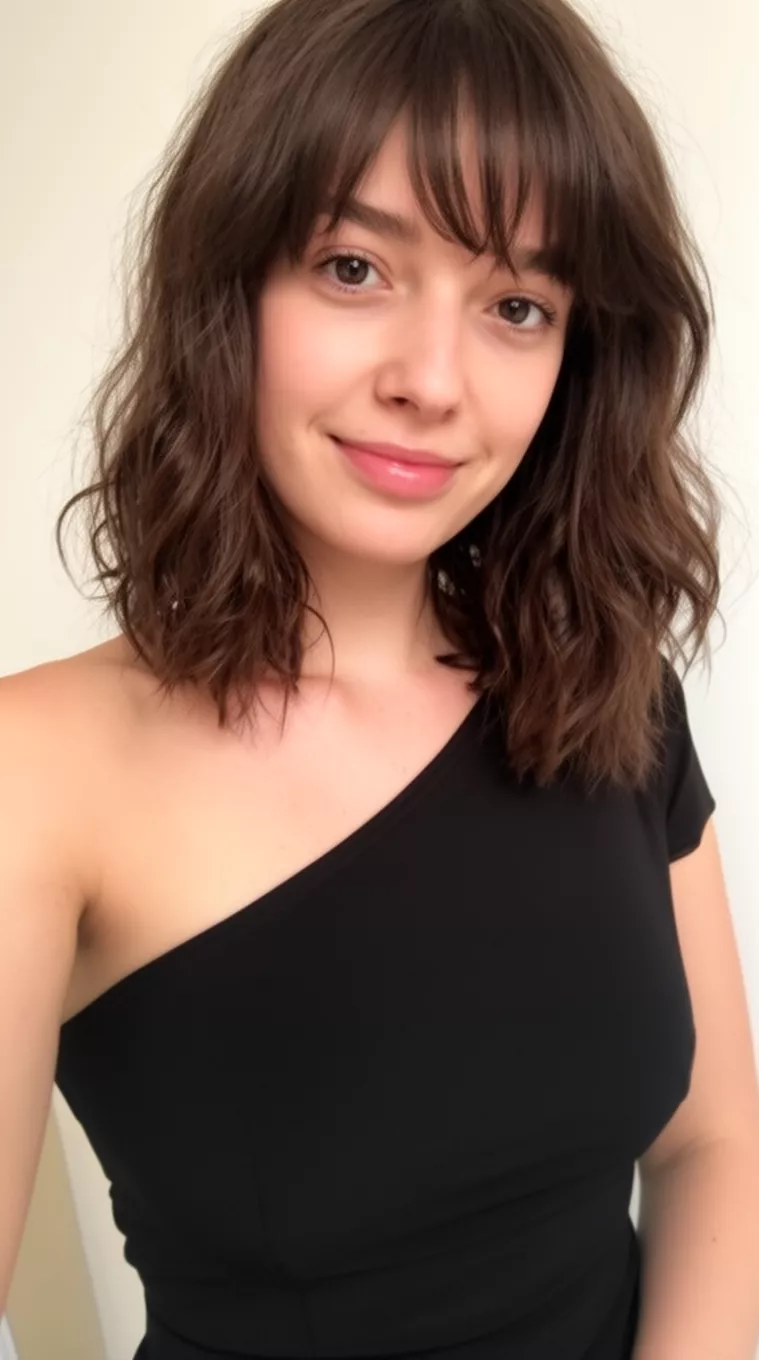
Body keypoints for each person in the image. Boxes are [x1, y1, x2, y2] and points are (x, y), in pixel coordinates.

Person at [3, 0, 757, 1357]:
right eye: (355, 268)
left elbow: (711, 1145)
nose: (432, 379)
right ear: (227, 283)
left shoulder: (610, 689)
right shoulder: (38, 773)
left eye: (516, 305)